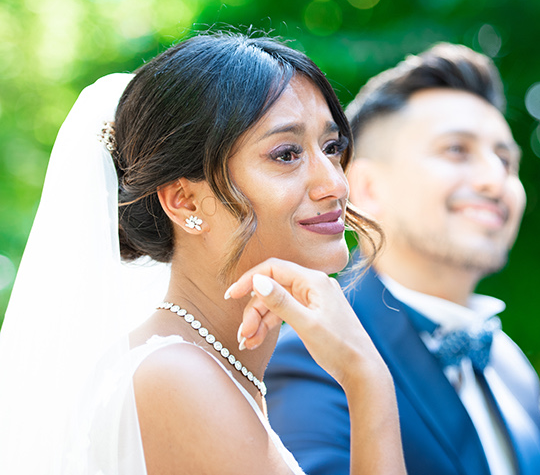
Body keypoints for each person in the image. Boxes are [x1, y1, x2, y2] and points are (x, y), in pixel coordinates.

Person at [0, 33, 406, 475]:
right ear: (185, 201)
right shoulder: (176, 378)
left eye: (331, 148)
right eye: (286, 154)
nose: (335, 184)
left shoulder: (205, 366)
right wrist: (368, 380)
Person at [266, 43, 540, 475]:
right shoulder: (312, 358)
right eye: (457, 150)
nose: (496, 180)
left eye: (506, 160)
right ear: (367, 189)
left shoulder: (512, 367)